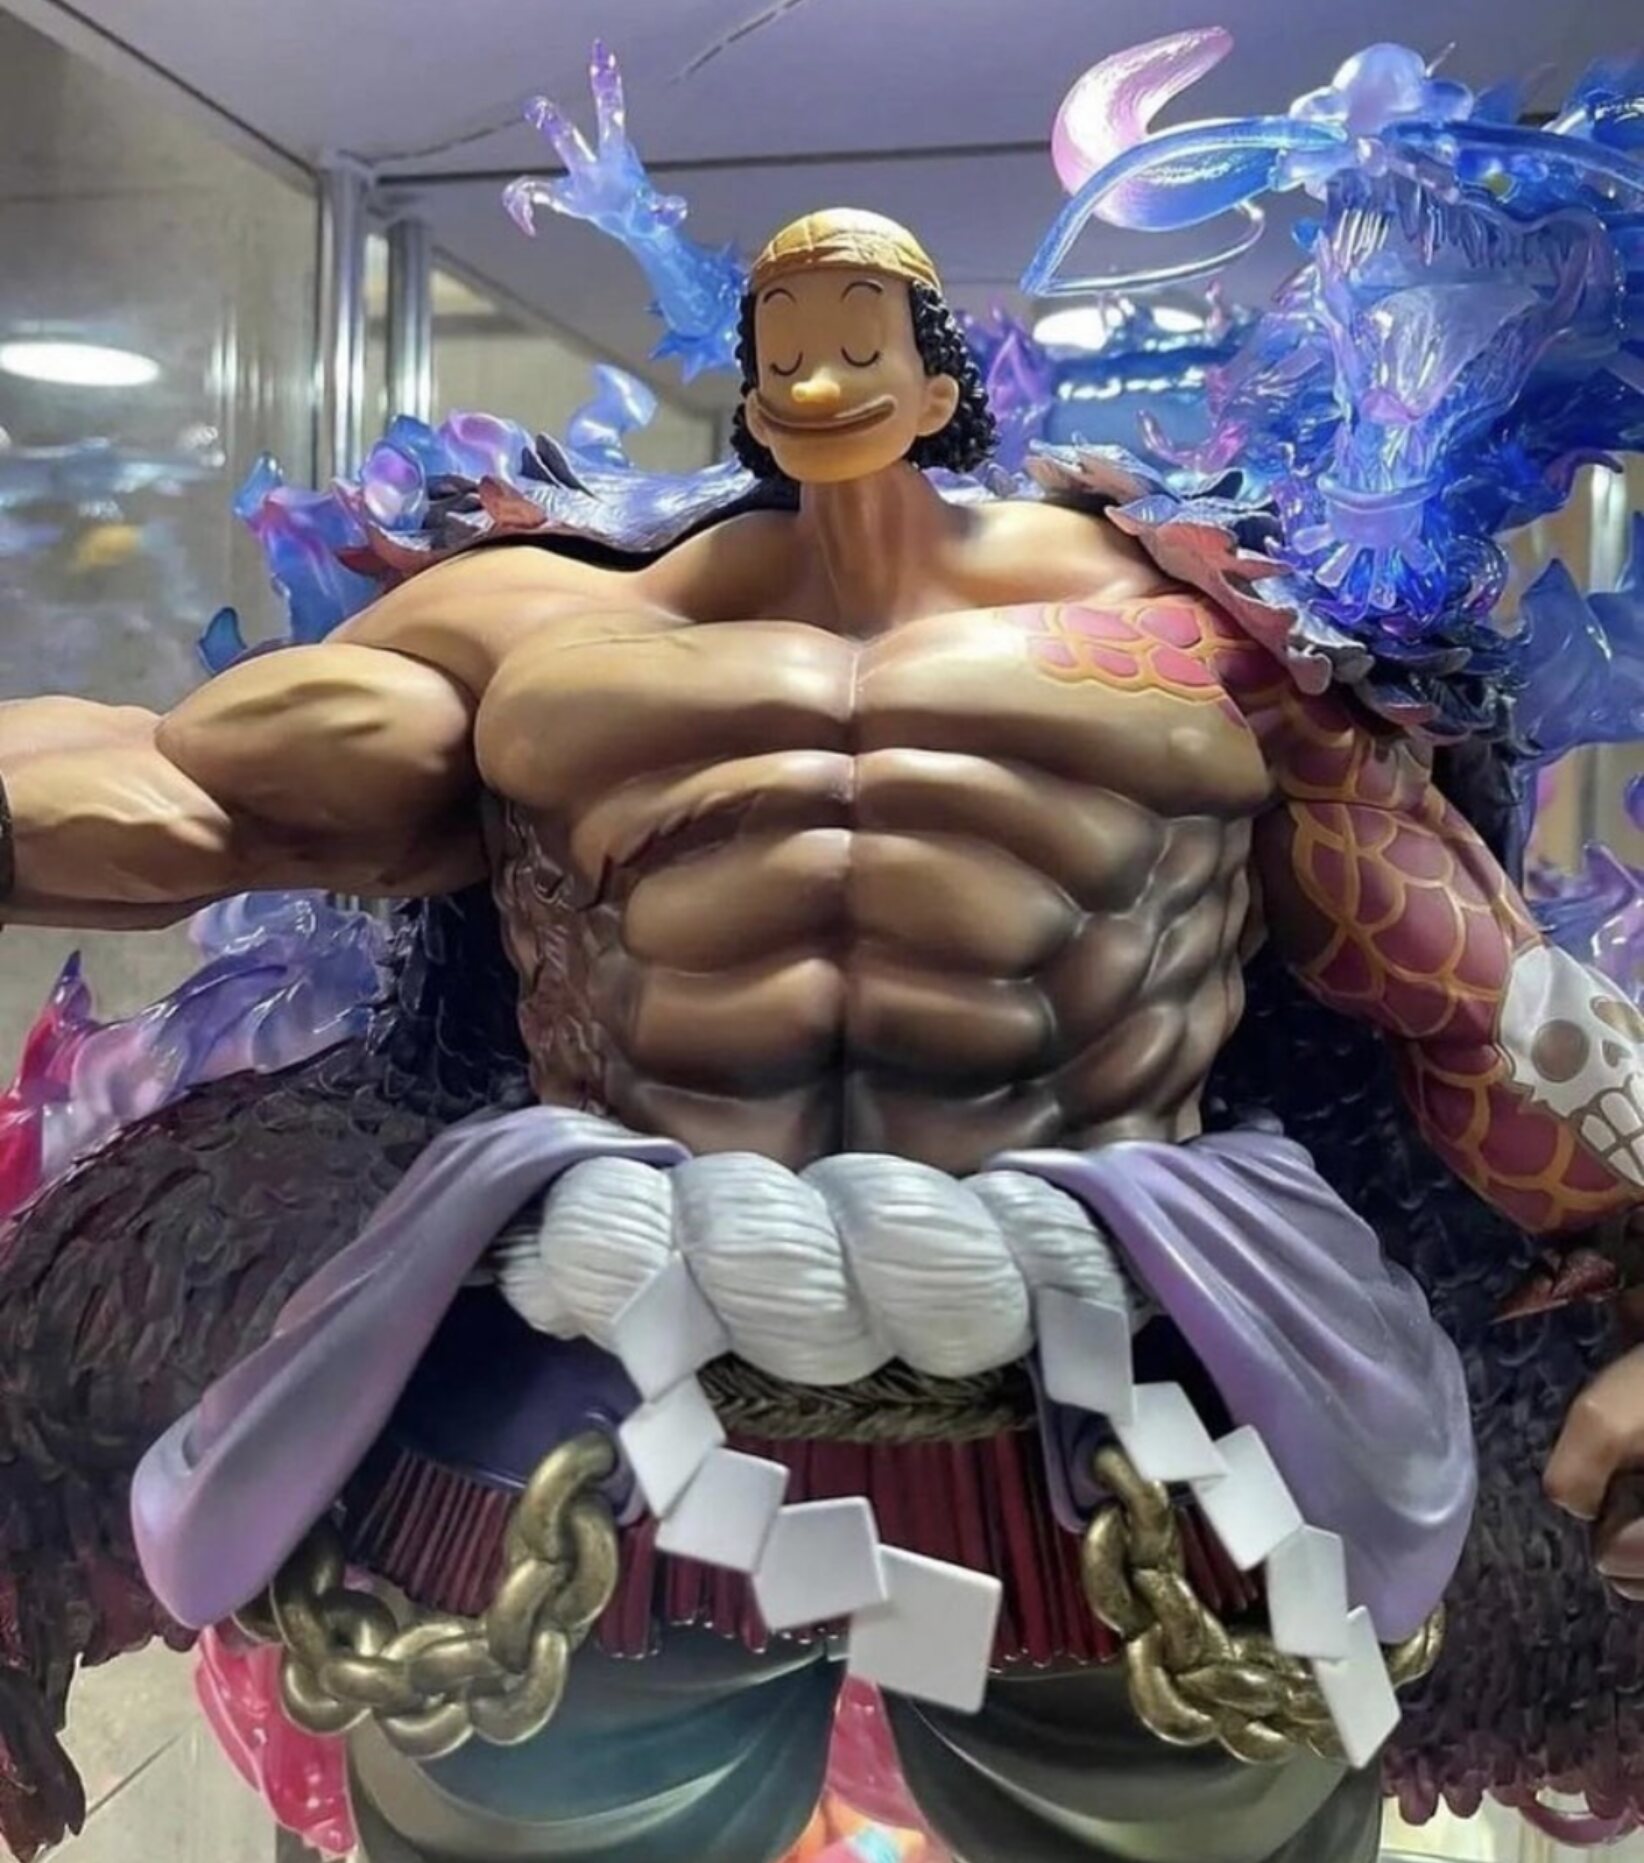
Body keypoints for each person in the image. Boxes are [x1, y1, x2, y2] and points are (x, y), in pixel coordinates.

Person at [1, 210, 1640, 1863]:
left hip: (1121, 1375)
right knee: (518, 1816)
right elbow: (184, 791)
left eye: (860, 330)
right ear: (746, 384)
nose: (818, 371)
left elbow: (1476, 996)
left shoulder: (1211, 644)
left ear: (940, 382)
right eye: (784, 336)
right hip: (598, 1361)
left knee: (1202, 1823)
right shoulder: (538, 634)